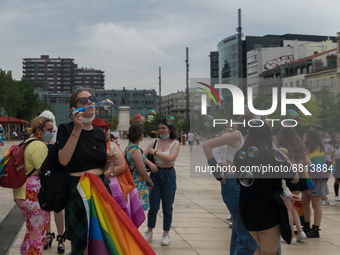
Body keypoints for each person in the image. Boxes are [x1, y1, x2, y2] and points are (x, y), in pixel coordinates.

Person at [58, 89, 118, 255]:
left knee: (101, 239)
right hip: (78, 191)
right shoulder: (66, 129)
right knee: (82, 242)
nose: (90, 102)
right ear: (74, 109)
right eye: (83, 101)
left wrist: (108, 161)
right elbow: (63, 160)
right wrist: (77, 128)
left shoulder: (99, 133)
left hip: (100, 189)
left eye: (91, 99)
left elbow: (103, 168)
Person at [234, 123, 299, 255]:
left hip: (247, 208)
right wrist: (287, 159)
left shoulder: (240, 155)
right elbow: (295, 178)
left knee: (263, 249)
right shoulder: (274, 156)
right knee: (268, 252)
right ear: (269, 137)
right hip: (267, 211)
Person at [202, 113, 259, 255]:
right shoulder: (237, 135)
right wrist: (216, 171)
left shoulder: (256, 139)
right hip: (234, 183)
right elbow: (207, 145)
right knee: (246, 233)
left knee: (240, 231)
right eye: (257, 121)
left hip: (250, 184)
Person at [92, 118, 145, 228]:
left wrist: (100, 175)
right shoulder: (89, 145)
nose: (101, 131)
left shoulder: (111, 144)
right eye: (98, 129)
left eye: (103, 129)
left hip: (111, 185)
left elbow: (121, 166)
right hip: (93, 185)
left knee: (115, 221)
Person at [13, 116, 54, 255]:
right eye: (49, 130)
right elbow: (45, 171)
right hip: (35, 194)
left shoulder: (26, 143)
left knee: (31, 231)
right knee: (38, 235)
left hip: (22, 193)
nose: (52, 132)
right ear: (39, 129)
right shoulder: (39, 145)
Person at [143, 119, 180, 246]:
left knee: (167, 206)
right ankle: (149, 231)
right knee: (153, 206)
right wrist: (150, 162)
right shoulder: (154, 142)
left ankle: (166, 233)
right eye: (159, 128)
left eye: (164, 128)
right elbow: (142, 155)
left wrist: (155, 152)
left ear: (170, 129)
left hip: (169, 174)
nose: (161, 131)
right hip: (155, 175)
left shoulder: (175, 143)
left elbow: (171, 158)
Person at [39, 110, 66, 253]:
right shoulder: (38, 141)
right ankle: (48, 235)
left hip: (56, 179)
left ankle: (60, 237)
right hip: (43, 179)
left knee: (58, 208)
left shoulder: (57, 140)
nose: (50, 130)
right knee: (46, 207)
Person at [277, 127, 310, 244]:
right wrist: (299, 164)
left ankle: (291, 236)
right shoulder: (300, 148)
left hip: (289, 178)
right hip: (300, 178)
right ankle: (301, 232)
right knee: (291, 206)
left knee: (287, 209)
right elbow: (309, 163)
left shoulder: (281, 149)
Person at [302, 129, 329, 238]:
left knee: (316, 204)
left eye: (305, 135)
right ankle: (306, 226)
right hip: (307, 176)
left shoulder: (317, 147)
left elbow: (313, 163)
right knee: (305, 202)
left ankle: (315, 229)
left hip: (316, 177)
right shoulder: (308, 147)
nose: (304, 137)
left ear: (310, 137)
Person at [125, 123, 155, 212]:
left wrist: (149, 163)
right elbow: (142, 171)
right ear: (141, 135)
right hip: (137, 185)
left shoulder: (129, 148)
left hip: (130, 182)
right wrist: (150, 182)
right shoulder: (136, 151)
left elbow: (142, 158)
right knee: (136, 214)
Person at [321, 132, 336, 205]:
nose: (327, 138)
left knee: (326, 180)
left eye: (328, 136)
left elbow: (333, 154)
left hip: (329, 162)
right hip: (323, 162)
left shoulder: (330, 145)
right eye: (325, 136)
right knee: (323, 181)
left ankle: (322, 197)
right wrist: (328, 152)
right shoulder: (321, 145)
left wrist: (333, 152)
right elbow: (320, 155)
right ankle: (324, 198)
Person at [332, 132, 340, 201]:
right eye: (336, 137)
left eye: (339, 137)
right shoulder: (331, 146)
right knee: (337, 180)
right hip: (335, 163)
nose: (338, 139)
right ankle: (337, 195)